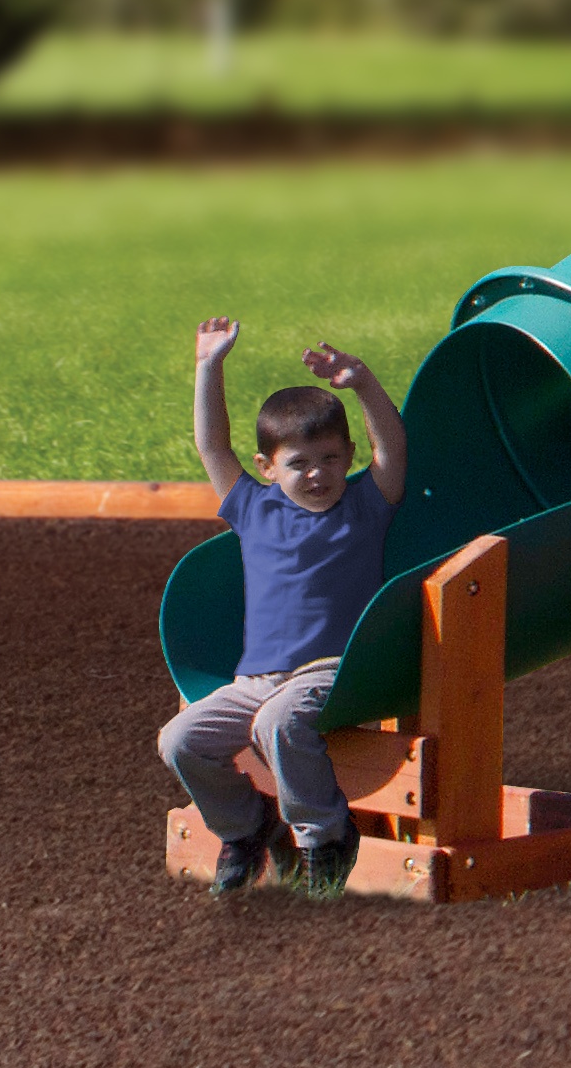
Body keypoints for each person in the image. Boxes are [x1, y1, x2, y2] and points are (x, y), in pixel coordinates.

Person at [160, 321, 409, 891]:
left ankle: (325, 835)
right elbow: (212, 445)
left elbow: (391, 445)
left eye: (329, 457)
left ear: (349, 454)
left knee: (277, 722)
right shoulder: (253, 508)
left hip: (330, 670)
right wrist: (209, 366)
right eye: (299, 462)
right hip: (256, 678)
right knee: (180, 740)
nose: (317, 473)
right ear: (268, 467)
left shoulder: (366, 506)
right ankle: (246, 828)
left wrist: (363, 382)